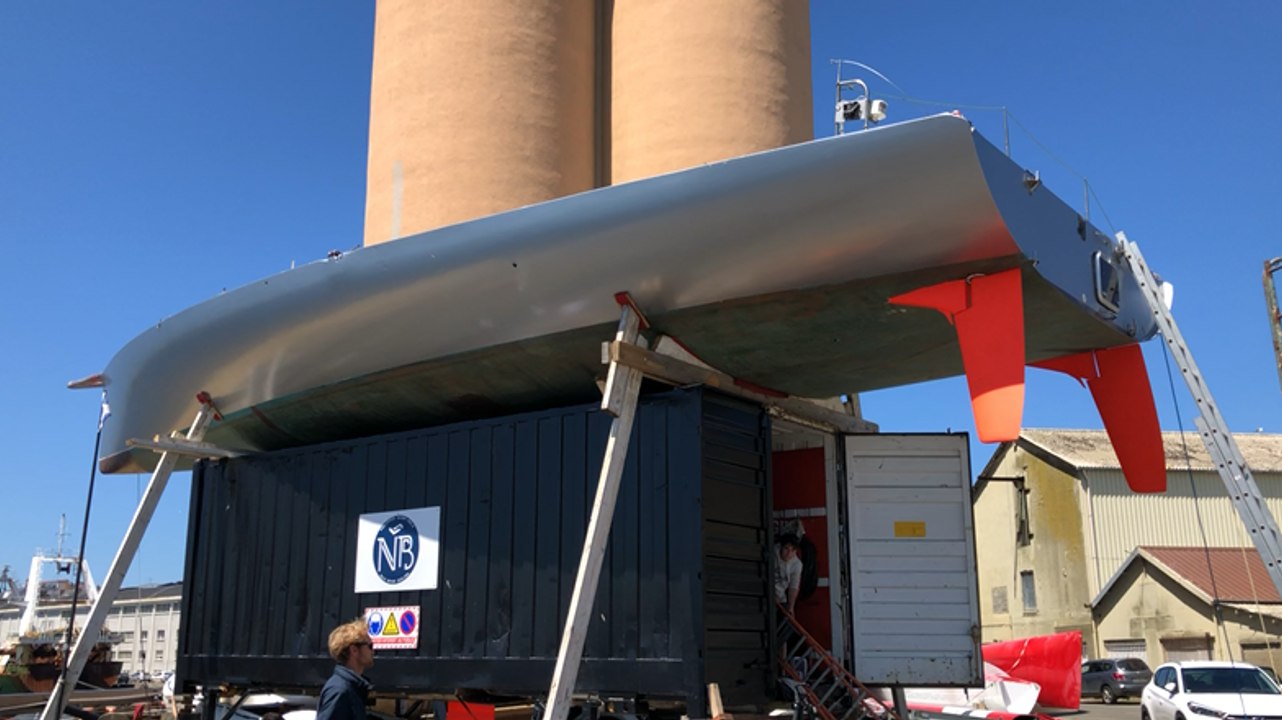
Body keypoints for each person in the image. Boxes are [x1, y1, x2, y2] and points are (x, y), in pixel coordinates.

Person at [316, 619, 375, 720]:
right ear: (354, 650)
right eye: (370, 646)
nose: (373, 651)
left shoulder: (351, 688)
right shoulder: (339, 691)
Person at [774, 534, 803, 614]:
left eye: (793, 550)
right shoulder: (773, 553)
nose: (789, 553)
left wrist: (791, 607)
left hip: (780, 599)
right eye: (786, 548)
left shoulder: (797, 564)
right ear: (781, 547)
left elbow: (793, 587)